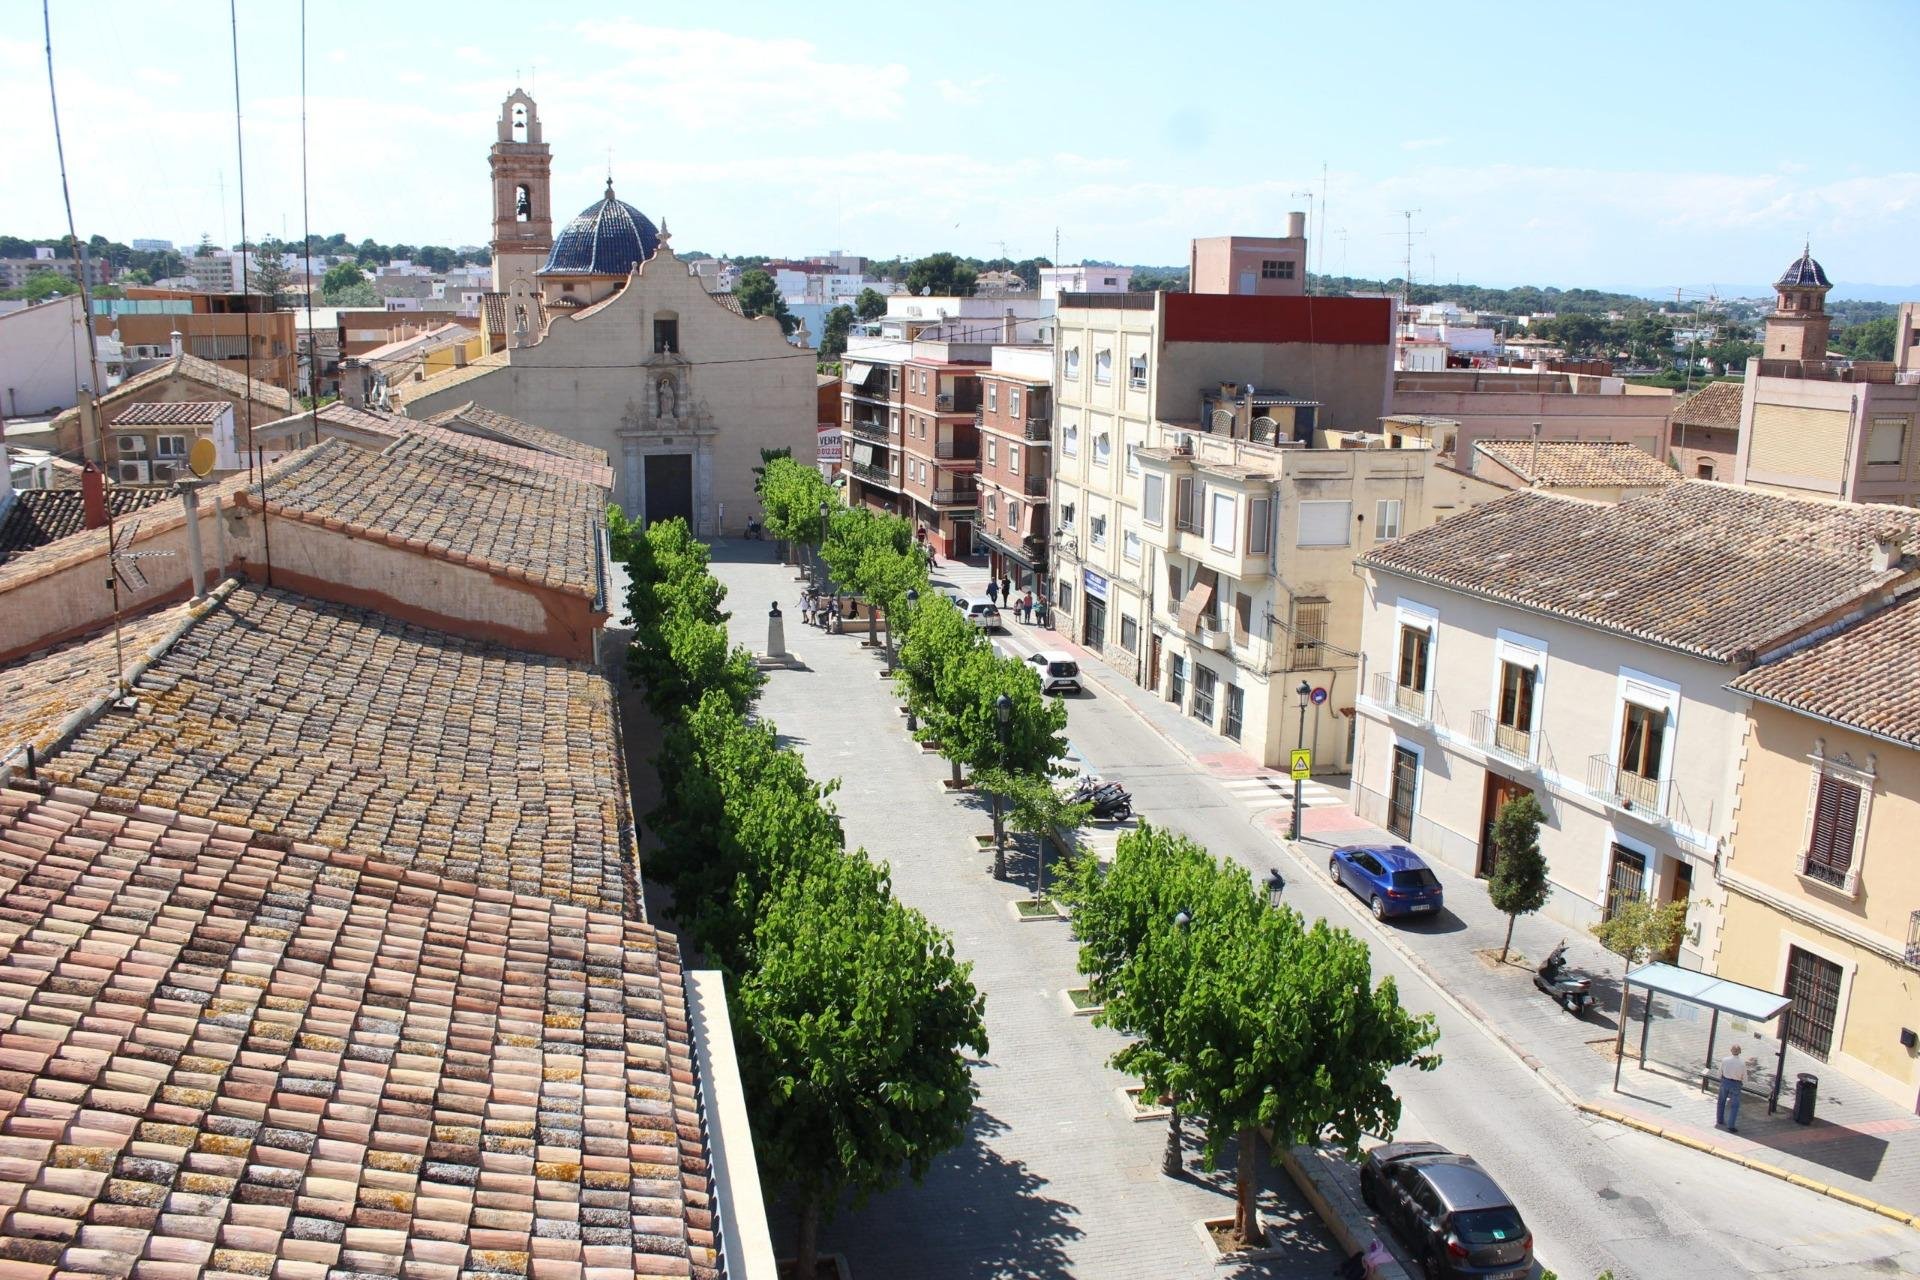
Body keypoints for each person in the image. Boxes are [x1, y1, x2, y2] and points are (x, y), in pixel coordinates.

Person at [1716, 1042, 1747, 1133]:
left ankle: (1720, 1120)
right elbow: (1744, 1077)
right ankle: (1731, 1125)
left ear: (1731, 1051)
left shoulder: (1725, 1060)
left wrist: (1721, 1079)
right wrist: (1743, 1082)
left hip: (1725, 1082)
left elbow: (1719, 1072)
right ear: (1740, 1052)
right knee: (1735, 1105)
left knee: (1721, 1101)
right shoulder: (1742, 1063)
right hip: (1736, 1084)